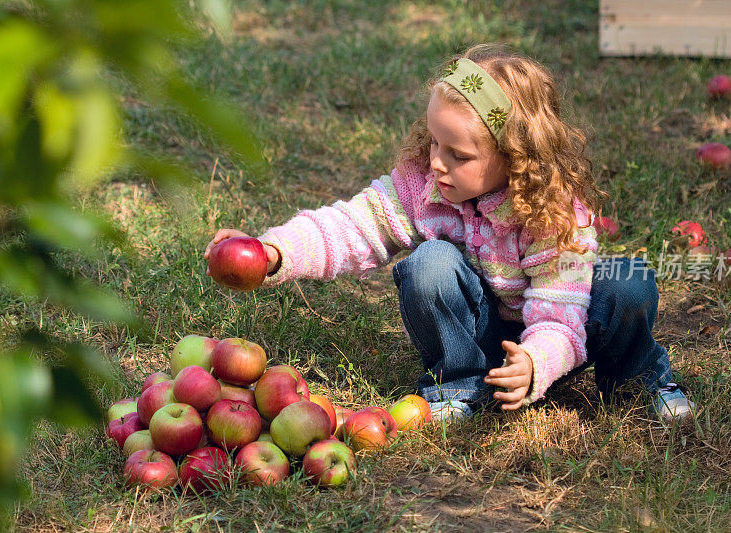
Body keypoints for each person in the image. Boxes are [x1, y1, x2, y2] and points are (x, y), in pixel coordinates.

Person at [204, 44, 694, 423]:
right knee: (429, 264)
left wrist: (537, 363)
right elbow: (351, 225)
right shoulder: (424, 185)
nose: (437, 161)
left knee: (629, 282)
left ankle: (636, 380)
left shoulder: (556, 216)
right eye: (435, 141)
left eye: (458, 155)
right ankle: (459, 383)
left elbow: (560, 311)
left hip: (557, 333)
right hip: (481, 332)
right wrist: (273, 251)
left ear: (515, 156)